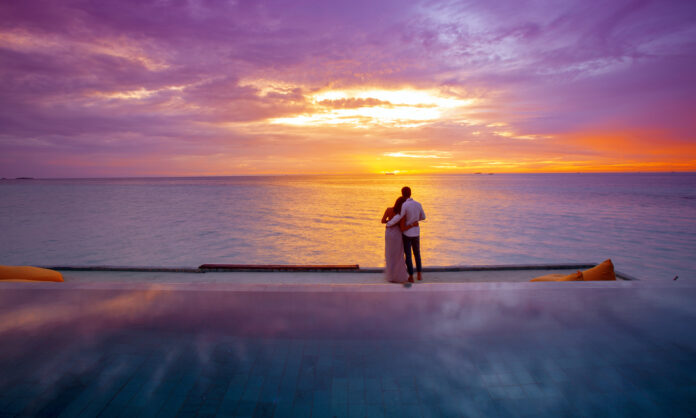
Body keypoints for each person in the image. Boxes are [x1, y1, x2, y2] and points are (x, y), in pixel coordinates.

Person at [381, 196, 419, 283]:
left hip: (388, 233)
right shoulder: (401, 215)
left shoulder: (388, 209)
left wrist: (390, 222)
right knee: (398, 255)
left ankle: (390, 276)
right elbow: (403, 229)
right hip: (397, 234)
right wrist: (413, 225)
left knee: (389, 254)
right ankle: (397, 276)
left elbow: (383, 221)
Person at [399, 186, 426, 282]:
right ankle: (419, 274)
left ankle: (410, 276)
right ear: (410, 193)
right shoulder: (418, 204)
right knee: (417, 253)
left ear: (402, 194)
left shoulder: (405, 205)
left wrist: (409, 222)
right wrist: (415, 221)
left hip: (407, 233)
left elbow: (402, 217)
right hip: (416, 232)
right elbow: (423, 217)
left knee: (408, 255)